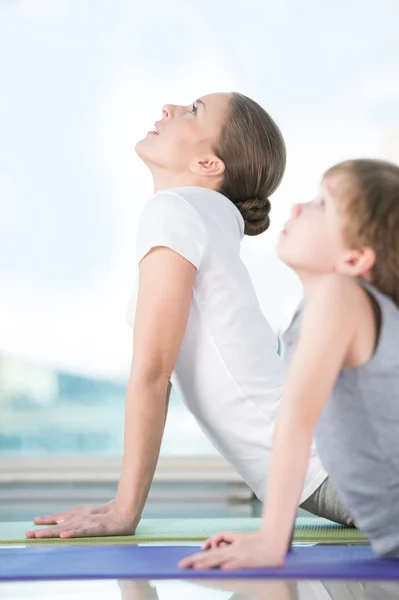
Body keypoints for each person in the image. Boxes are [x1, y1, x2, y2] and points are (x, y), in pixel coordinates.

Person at [27, 93, 345, 540]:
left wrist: (124, 508)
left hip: (333, 462)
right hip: (330, 459)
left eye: (194, 110)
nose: (169, 108)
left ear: (210, 164)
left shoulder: (174, 210)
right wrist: (122, 501)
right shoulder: (200, 217)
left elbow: (154, 374)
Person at [179, 158, 399, 570]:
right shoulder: (327, 308)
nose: (297, 207)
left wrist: (271, 540)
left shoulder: (339, 294)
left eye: (321, 204)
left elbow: (296, 417)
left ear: (355, 260)